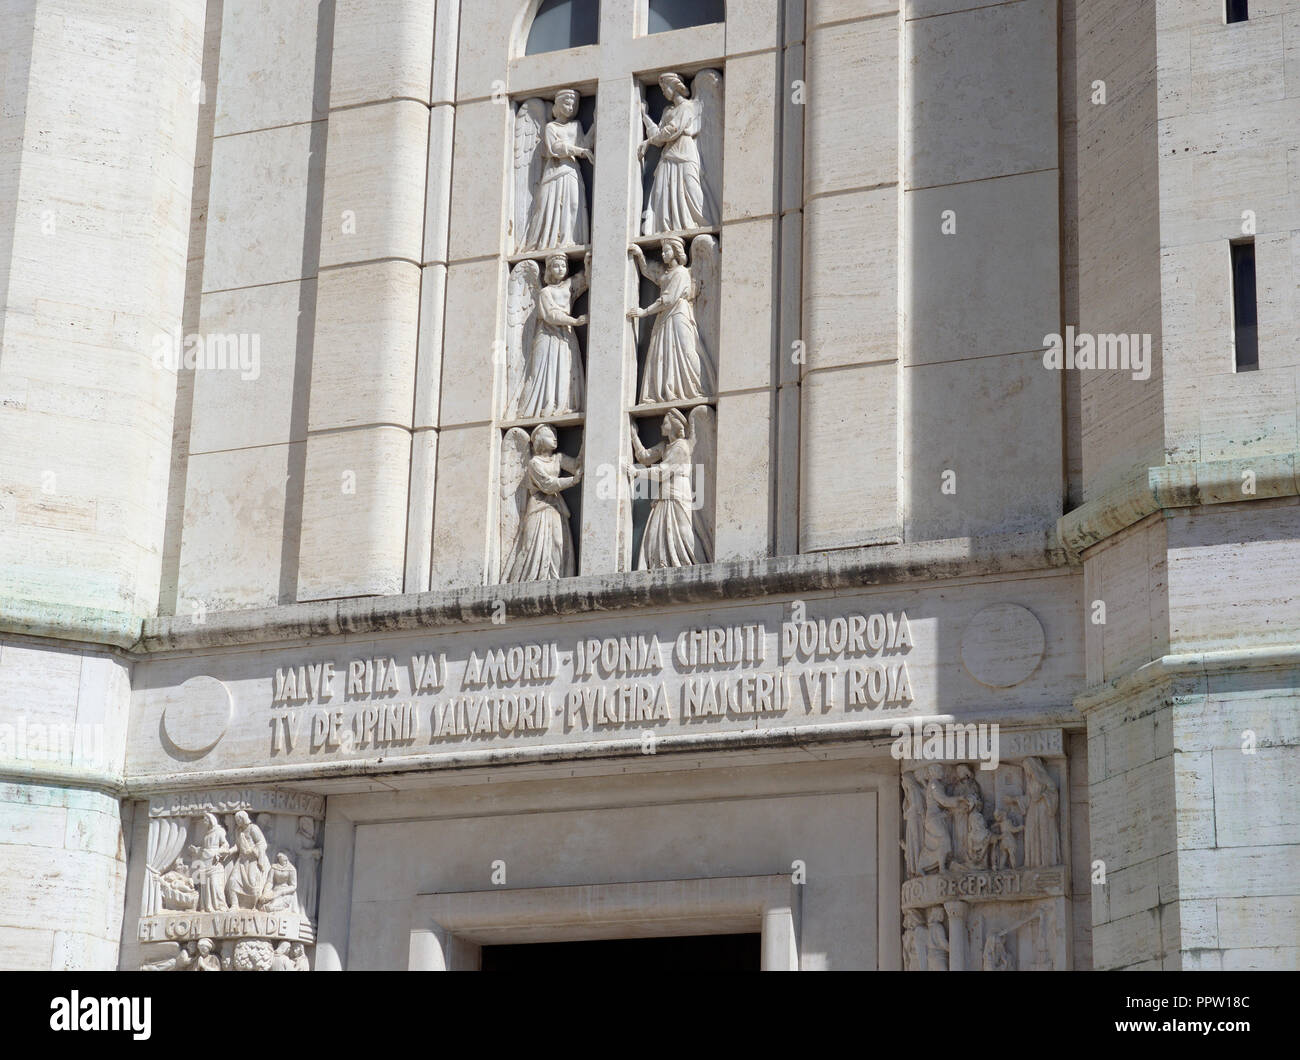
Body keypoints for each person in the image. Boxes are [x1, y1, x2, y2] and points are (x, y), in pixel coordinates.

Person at [628, 238, 713, 404]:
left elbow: (668, 299)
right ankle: (668, 389)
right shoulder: (667, 274)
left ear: (676, 251)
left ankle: (699, 387)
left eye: (666, 251)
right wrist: (640, 256)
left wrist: (644, 311)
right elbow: (650, 272)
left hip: (678, 314)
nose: (663, 254)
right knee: (663, 353)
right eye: (662, 251)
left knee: (687, 351)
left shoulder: (681, 273)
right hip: (665, 317)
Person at [502, 425, 581, 582]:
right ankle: (518, 580)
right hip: (538, 507)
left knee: (558, 542)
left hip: (555, 507)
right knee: (529, 545)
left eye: (555, 434)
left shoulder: (558, 459)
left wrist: (585, 443)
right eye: (549, 434)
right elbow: (547, 485)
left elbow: (577, 465)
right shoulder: (534, 463)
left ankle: (556, 577)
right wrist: (572, 481)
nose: (554, 437)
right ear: (538, 440)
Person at [519, 253, 588, 418]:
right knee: (541, 373)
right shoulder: (545, 292)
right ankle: (533, 408)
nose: (560, 269)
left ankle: (563, 404)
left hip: (565, 336)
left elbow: (588, 277)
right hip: (548, 336)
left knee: (565, 369)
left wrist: (587, 262)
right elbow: (551, 315)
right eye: (556, 266)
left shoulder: (569, 285)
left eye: (563, 266)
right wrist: (575, 321)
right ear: (549, 269)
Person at [639, 73, 709, 234]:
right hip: (668, 154)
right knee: (661, 192)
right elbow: (658, 137)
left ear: (674, 86)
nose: (663, 92)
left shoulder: (688, 106)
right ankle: (667, 227)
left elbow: (673, 130)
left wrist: (648, 142)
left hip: (684, 151)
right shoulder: (667, 110)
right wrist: (645, 116)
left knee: (691, 188)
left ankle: (705, 222)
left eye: (665, 88)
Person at [523, 88, 593, 251]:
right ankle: (553, 242)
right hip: (556, 171)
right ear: (559, 104)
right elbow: (555, 148)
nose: (571, 108)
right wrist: (578, 151)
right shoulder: (551, 127)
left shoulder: (576, 125)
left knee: (574, 204)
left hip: (572, 170)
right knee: (554, 206)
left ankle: (571, 239)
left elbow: (583, 144)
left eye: (573, 105)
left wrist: (595, 125)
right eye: (567, 104)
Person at [629, 410, 697, 570]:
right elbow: (644, 457)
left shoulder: (681, 447)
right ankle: (662, 562)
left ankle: (687, 559)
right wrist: (634, 435)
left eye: (665, 422)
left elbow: (662, 472)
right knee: (656, 531)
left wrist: (637, 473)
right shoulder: (665, 446)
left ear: (674, 426)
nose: (661, 425)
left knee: (681, 528)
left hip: (678, 491)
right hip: (665, 492)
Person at [225, 810, 271, 910]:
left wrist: (253, 850)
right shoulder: (238, 830)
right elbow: (238, 846)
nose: (237, 821)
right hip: (242, 859)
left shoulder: (253, 828)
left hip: (252, 859)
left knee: (253, 881)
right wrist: (228, 852)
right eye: (236, 820)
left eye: (238, 819)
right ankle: (235, 904)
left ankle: (255, 906)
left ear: (243, 818)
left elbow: (262, 843)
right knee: (233, 879)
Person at [188, 813, 232, 913]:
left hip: (214, 862)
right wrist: (196, 850)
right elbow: (204, 848)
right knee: (205, 885)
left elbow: (226, 845)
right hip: (204, 861)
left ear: (211, 820)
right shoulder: (207, 833)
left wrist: (218, 853)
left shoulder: (219, 831)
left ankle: (220, 906)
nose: (204, 822)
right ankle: (206, 906)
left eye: (206, 820)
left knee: (215, 883)